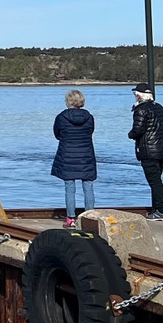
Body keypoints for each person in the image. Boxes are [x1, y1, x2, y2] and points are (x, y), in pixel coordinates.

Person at [128, 83, 163, 221]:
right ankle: (159, 210)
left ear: (139, 95)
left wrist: (130, 134)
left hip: (148, 151)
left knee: (155, 182)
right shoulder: (159, 108)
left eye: (135, 94)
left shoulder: (141, 110)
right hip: (161, 150)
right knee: (157, 180)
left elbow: (138, 130)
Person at [51, 89, 97, 228]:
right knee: (88, 186)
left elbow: (57, 134)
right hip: (86, 155)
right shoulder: (89, 117)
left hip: (67, 154)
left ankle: (71, 218)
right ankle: (89, 217)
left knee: (69, 187)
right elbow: (90, 131)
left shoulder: (61, 117)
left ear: (68, 101)